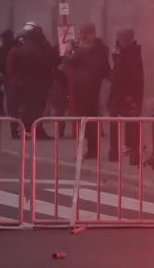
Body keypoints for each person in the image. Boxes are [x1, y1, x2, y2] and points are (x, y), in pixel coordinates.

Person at [61, 23, 110, 159]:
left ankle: (91, 149)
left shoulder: (84, 51)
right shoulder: (102, 48)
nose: (81, 36)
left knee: (86, 120)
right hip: (94, 86)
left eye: (83, 33)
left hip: (83, 88)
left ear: (89, 34)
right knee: (92, 119)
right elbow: (106, 69)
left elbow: (67, 62)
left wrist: (71, 50)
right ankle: (93, 148)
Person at [12, 24, 58, 139]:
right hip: (40, 82)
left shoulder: (23, 48)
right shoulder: (43, 47)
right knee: (38, 107)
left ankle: (27, 130)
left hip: (26, 82)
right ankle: (37, 130)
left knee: (27, 107)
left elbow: (16, 64)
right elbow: (49, 62)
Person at [108, 28, 144, 163]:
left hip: (128, 94)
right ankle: (115, 151)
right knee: (114, 120)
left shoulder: (132, 53)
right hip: (118, 93)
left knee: (132, 123)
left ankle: (133, 152)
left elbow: (132, 76)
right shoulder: (123, 53)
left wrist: (132, 95)